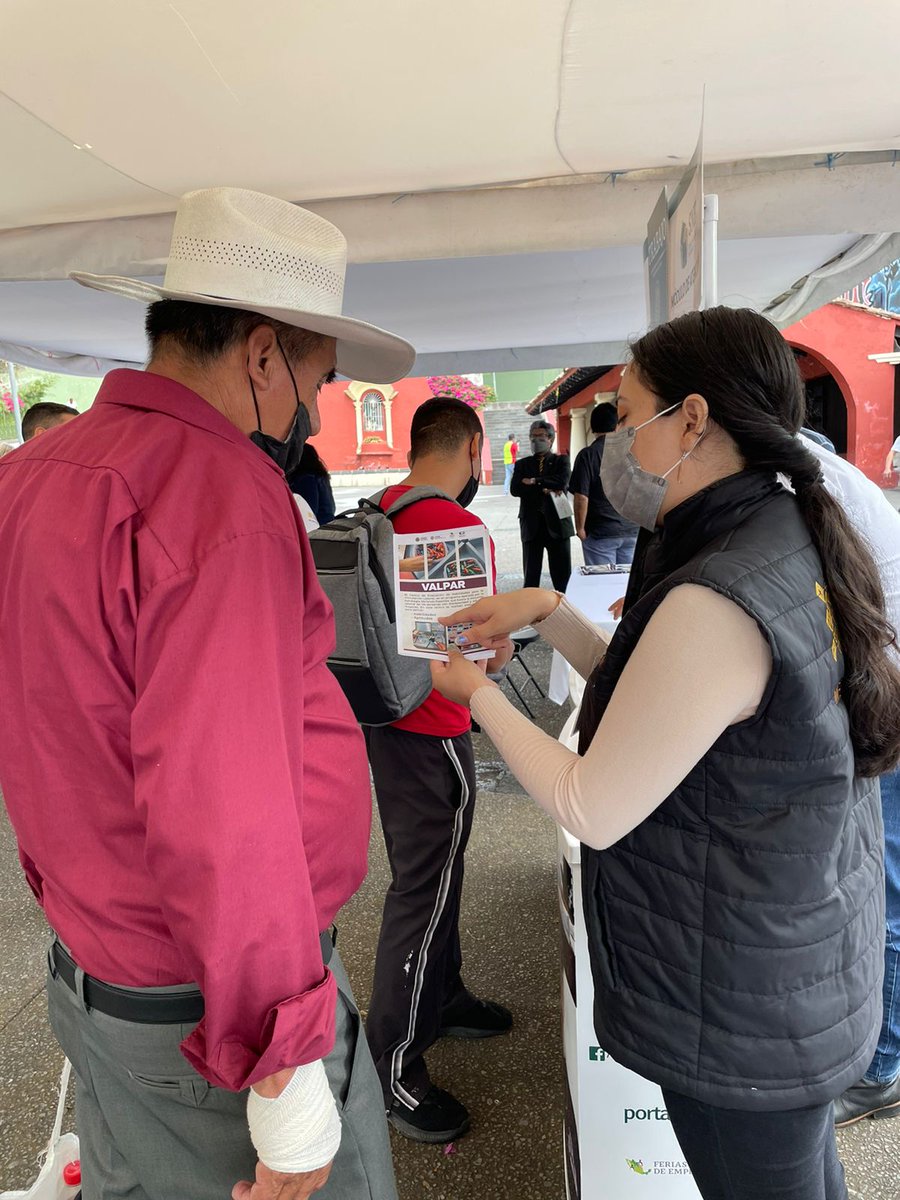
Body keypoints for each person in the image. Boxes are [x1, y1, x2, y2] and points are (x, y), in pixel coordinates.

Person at [0, 187, 416, 1200]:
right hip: (212, 1006)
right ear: (262, 353)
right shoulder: (221, 495)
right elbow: (229, 812)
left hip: (102, 971)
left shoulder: (30, 475)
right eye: (316, 379)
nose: (315, 412)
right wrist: (285, 1079)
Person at [431, 307, 900, 1200]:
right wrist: (546, 610)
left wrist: (478, 695)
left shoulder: (721, 589)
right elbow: (669, 709)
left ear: (691, 419)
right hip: (784, 966)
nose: (616, 446)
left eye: (627, 416)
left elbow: (590, 803)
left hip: (742, 997)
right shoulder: (773, 528)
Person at [366, 397, 514, 1145]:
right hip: (434, 732)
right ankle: (393, 1065)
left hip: (388, 727)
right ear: (471, 447)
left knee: (432, 876)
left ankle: (444, 995)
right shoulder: (455, 528)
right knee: (421, 893)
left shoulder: (376, 510)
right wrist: (504, 645)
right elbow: (475, 653)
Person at [798, 436, 900, 1129]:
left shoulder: (787, 484)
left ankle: (882, 1068)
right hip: (874, 688)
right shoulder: (797, 466)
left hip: (887, 695)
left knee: (885, 889)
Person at [570, 403, 638, 566]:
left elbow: (581, 497)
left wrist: (580, 529)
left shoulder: (588, 455)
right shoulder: (632, 453)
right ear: (617, 426)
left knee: (603, 584)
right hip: (632, 529)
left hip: (601, 532)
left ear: (592, 428)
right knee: (627, 585)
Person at [510, 419, 572, 590]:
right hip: (531, 526)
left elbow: (562, 481)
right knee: (531, 577)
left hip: (557, 525)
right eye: (532, 436)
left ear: (550, 439)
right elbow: (515, 489)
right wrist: (546, 487)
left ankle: (565, 610)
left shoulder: (562, 461)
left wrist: (534, 481)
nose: (535, 440)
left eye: (541, 436)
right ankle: (530, 612)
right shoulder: (522, 464)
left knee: (562, 577)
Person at [287, 442, 337, 526]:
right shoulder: (321, 476)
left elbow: (308, 510)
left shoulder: (306, 479)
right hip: (327, 523)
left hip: (317, 527)